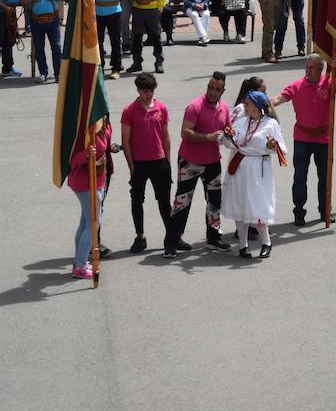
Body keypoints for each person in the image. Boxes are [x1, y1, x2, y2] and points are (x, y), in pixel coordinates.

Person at [164, 72, 232, 256]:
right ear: (207, 87)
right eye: (211, 87)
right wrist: (207, 137)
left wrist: (232, 136)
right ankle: (171, 242)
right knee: (182, 202)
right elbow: (185, 132)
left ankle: (214, 237)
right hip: (190, 162)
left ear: (222, 91)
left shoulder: (224, 108)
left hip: (212, 162)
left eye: (217, 89)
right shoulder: (195, 106)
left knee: (215, 201)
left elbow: (227, 128)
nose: (213, 92)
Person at [272, 54, 336, 224]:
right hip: (302, 138)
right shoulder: (297, 85)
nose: (307, 70)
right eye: (306, 67)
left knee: (325, 177)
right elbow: (278, 99)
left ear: (320, 69)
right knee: (300, 177)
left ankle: (325, 211)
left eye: (311, 67)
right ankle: (299, 212)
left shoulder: (329, 82)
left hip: (324, 139)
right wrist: (260, 102)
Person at [221, 89, 288, 258]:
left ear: (257, 107)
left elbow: (283, 150)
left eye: (248, 103)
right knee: (240, 205)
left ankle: (266, 242)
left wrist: (272, 146)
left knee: (257, 207)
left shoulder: (271, 124)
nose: (245, 105)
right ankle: (243, 246)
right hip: (239, 168)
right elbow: (227, 142)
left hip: (258, 170)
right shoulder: (242, 121)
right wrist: (230, 137)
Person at [121, 71, 172, 254]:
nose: (147, 94)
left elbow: (166, 136)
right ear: (138, 91)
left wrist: (167, 160)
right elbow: (125, 140)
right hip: (139, 163)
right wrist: (131, 164)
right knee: (137, 200)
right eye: (144, 91)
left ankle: (171, 236)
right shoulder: (129, 111)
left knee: (164, 201)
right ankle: (140, 236)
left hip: (159, 161)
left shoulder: (162, 108)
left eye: (150, 91)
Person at [67, 116, 112, 279]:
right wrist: (86, 154)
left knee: (86, 221)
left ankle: (80, 259)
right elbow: (72, 157)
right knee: (93, 223)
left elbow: (105, 138)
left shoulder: (101, 124)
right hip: (85, 183)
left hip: (95, 180)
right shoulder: (85, 129)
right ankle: (80, 266)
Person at [20, 0, 67, 81]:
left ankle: (58, 73)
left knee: (56, 47)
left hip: (53, 19)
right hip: (36, 20)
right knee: (39, 48)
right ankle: (43, 73)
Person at [0, 0, 21, 78]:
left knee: (9, 40)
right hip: (2, 12)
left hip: (10, 12)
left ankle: (7, 67)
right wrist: (5, 8)